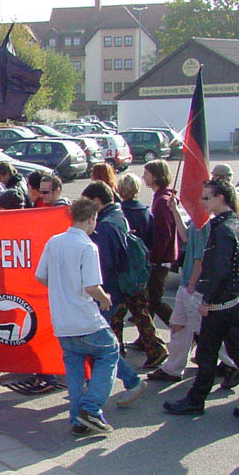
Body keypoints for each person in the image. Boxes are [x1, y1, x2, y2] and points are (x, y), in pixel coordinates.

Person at [163, 178, 239, 421]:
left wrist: (207, 300)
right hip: (234, 302)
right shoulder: (235, 225)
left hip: (222, 305)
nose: (203, 203)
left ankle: (196, 401)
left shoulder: (224, 229)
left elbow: (219, 270)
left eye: (207, 198)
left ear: (221, 199)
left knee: (208, 353)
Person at [36, 198, 117, 435]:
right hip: (85, 318)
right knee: (109, 351)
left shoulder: (54, 241)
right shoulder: (87, 247)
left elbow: (41, 276)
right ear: (91, 218)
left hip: (62, 320)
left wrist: (61, 286)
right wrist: (105, 298)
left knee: (73, 367)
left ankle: (77, 419)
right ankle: (90, 409)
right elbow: (92, 286)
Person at [148, 193, 239, 385]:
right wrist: (174, 212)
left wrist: (192, 284)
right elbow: (184, 236)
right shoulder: (196, 224)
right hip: (187, 285)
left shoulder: (204, 225)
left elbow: (200, 258)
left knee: (203, 330)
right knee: (179, 325)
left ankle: (233, 364)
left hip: (193, 286)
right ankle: (173, 368)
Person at [80, 181, 148, 405]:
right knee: (100, 346)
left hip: (105, 295)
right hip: (114, 292)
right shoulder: (118, 215)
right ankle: (110, 384)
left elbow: (103, 266)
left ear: (97, 201)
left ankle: (131, 382)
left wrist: (97, 294)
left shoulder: (105, 226)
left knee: (101, 347)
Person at [110, 172, 165, 362]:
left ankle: (117, 352)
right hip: (140, 269)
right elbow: (152, 240)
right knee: (141, 312)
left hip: (121, 271)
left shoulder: (118, 214)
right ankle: (155, 348)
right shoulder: (145, 212)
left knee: (116, 315)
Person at [142, 159, 177, 329]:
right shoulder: (161, 197)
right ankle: (147, 339)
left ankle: (181, 328)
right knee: (149, 300)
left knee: (155, 300)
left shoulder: (162, 201)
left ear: (156, 176)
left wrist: (154, 258)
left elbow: (164, 235)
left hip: (161, 259)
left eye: (146, 174)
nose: (143, 177)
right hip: (161, 257)